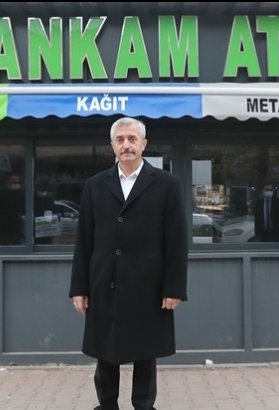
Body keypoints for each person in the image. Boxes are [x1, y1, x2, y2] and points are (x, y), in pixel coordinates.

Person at [69, 117, 189, 410]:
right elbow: (84, 240)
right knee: (105, 351)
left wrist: (173, 288)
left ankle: (143, 405)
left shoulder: (167, 184)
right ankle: (107, 404)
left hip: (148, 285)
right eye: (120, 139)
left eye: (132, 139)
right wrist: (79, 288)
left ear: (144, 144)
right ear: (112, 145)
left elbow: (176, 241)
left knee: (146, 352)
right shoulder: (95, 186)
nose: (126, 145)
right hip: (104, 282)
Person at [0, 173, 25, 245]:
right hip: (3, 229)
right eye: (14, 182)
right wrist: (1, 220)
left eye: (18, 182)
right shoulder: (0, 194)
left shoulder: (23, 194)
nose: (16, 184)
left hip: (17, 229)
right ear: (8, 182)